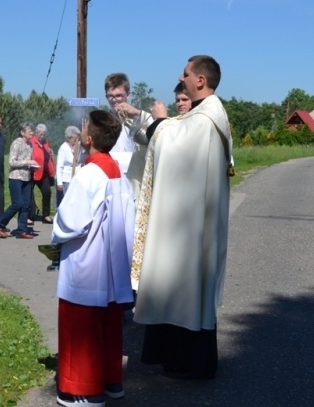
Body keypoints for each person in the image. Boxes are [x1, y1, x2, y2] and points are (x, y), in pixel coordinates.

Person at [132, 55, 233, 380]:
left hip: (191, 228)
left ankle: (190, 362)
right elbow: (178, 135)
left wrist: (160, 120)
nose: (181, 76)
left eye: (186, 73)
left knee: (185, 286)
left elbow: (174, 147)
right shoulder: (205, 116)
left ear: (200, 80)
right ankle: (177, 359)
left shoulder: (205, 120)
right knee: (183, 288)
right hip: (193, 222)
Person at [51, 109, 135, 407]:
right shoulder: (118, 174)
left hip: (87, 263)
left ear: (88, 138)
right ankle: (110, 380)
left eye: (84, 126)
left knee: (80, 326)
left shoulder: (89, 174)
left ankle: (81, 389)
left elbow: (71, 221)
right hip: (112, 264)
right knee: (109, 325)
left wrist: (55, 234)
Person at [104, 72, 154, 196]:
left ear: (128, 95)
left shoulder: (139, 117)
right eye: (110, 96)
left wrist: (137, 113)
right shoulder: (103, 120)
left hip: (133, 175)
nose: (114, 99)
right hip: (110, 174)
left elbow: (157, 130)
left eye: (119, 95)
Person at [0, 122, 38, 239]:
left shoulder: (30, 145)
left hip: (27, 177)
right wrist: (27, 162)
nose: (32, 133)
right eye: (29, 131)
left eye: (32, 131)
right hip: (16, 177)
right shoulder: (16, 143)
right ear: (22, 132)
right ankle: (0, 224)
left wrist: (33, 166)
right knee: (17, 203)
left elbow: (28, 160)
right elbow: (12, 162)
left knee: (26, 205)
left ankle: (22, 230)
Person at [29, 123, 55, 224]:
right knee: (29, 194)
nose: (42, 136)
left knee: (47, 192)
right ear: (36, 133)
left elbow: (48, 154)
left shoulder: (46, 142)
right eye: (41, 134)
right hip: (33, 172)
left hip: (44, 173)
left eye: (44, 134)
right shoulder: (31, 142)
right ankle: (30, 216)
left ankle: (46, 215)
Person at [55, 125, 85, 206]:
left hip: (76, 176)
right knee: (65, 200)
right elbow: (59, 166)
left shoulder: (78, 146)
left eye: (78, 138)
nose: (76, 140)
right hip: (66, 178)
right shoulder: (63, 148)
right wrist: (59, 183)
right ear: (69, 138)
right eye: (75, 138)